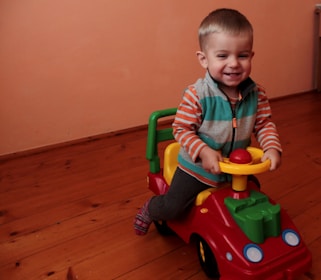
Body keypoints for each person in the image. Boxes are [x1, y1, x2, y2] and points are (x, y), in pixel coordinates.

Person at [134, 8, 282, 235]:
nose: (233, 63)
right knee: (174, 207)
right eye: (222, 56)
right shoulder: (197, 95)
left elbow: (264, 124)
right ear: (204, 59)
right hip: (197, 169)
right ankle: (152, 209)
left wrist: (271, 147)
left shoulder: (257, 94)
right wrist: (203, 151)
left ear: (251, 56)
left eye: (242, 55)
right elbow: (181, 129)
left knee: (255, 193)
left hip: (235, 168)